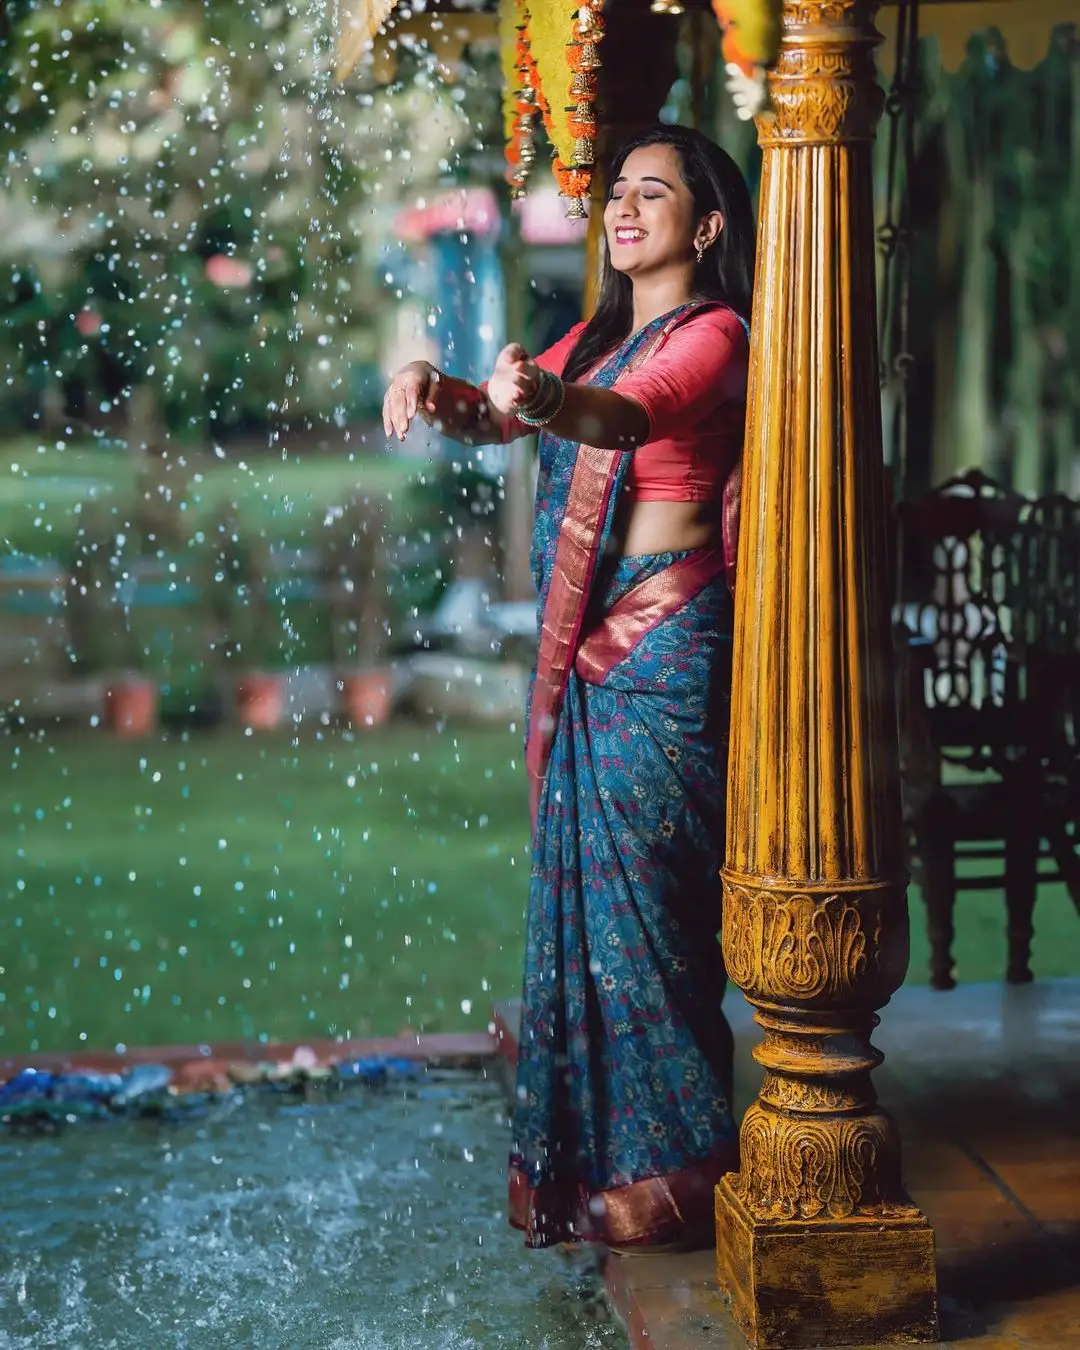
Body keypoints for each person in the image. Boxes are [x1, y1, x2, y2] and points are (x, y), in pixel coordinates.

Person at [383, 124, 755, 1253]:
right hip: (592, 653)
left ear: (708, 225)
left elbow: (624, 415)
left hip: (664, 646)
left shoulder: (717, 335)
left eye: (655, 194)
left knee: (654, 906)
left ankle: (683, 1165)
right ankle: (601, 1154)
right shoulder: (594, 336)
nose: (626, 210)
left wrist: (549, 403)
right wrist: (431, 384)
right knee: (586, 912)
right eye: (619, 194)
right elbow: (503, 407)